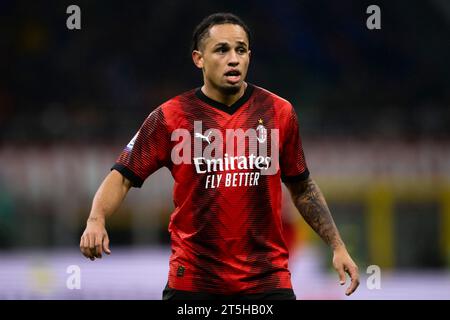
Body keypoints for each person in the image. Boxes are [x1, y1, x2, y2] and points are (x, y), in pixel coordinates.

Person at [80, 12, 359, 300]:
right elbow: (122, 176)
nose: (234, 58)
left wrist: (337, 246)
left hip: (267, 283)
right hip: (194, 283)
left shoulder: (279, 112)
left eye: (241, 50)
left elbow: (302, 187)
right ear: (198, 59)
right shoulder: (169, 117)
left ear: (249, 56)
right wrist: (96, 219)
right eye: (222, 50)